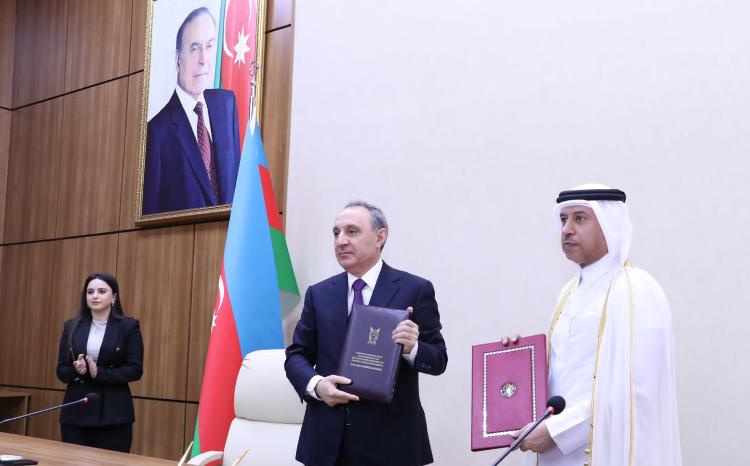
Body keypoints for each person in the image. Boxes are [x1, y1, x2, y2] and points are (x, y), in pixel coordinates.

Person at [505, 184, 681, 466]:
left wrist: (557, 432)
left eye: (580, 218)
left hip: (605, 453)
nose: (567, 230)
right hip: (553, 453)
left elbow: (632, 392)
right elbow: (561, 376)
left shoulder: (637, 291)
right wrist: (514, 363)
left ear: (610, 225)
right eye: (563, 219)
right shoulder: (568, 293)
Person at [285, 201, 448, 466]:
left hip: (392, 444)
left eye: (352, 231)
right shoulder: (319, 294)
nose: (341, 241)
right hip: (326, 444)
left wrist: (412, 347)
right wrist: (316, 385)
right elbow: (296, 356)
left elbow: (438, 359)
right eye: (336, 233)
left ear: (380, 237)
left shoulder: (415, 290)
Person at [143, 7, 241, 215]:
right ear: (178, 58)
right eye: (194, 49)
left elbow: (239, 186)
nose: (204, 59)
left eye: (209, 46)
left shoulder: (227, 105)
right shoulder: (156, 132)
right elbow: (150, 215)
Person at [56, 273, 144, 453]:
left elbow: (135, 369)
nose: (94, 296)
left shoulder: (128, 326)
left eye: (102, 291)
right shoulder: (71, 326)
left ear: (114, 297)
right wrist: (77, 370)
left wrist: (100, 373)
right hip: (77, 410)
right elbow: (61, 370)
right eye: (90, 292)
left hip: (113, 412)